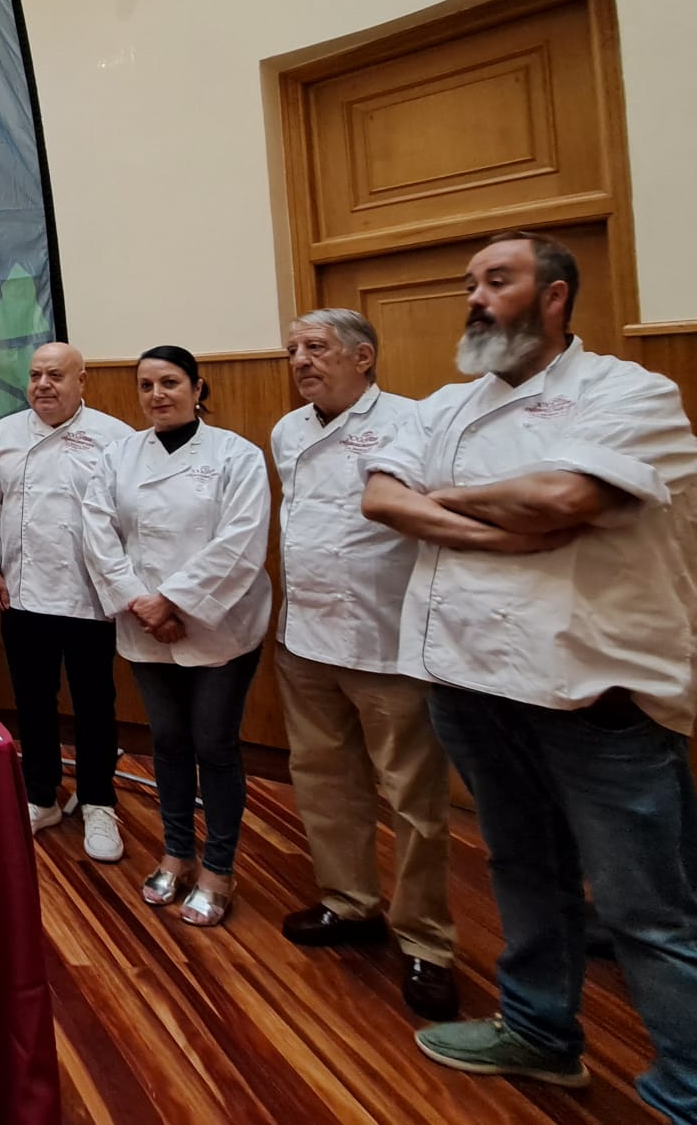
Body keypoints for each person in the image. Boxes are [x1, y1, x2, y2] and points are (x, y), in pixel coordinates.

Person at [360, 232, 697, 1112]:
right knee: (520, 865)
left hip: (593, 692)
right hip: (470, 684)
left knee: (647, 910)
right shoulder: (441, 407)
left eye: (496, 281)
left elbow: (565, 500)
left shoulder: (630, 392)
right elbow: (382, 498)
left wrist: (447, 500)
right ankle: (541, 1032)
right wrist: (494, 518)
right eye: (470, 283)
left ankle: (687, 1090)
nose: (474, 297)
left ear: (554, 297)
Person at [271, 310, 457, 1022]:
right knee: (323, 781)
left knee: (413, 800)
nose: (301, 361)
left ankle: (427, 944)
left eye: (315, 348)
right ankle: (349, 903)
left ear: (364, 356)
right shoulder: (289, 431)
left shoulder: (414, 421)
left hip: (387, 642)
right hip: (306, 638)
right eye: (293, 351)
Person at [83, 346, 271, 928]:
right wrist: (144, 604)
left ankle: (218, 866)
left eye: (169, 383)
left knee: (214, 745)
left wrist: (174, 601)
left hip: (217, 626)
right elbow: (97, 531)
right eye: (146, 385)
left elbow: (242, 542)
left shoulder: (235, 455)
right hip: (144, 625)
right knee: (166, 742)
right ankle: (176, 852)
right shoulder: (118, 457)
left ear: (197, 388)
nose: (157, 395)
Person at [0, 342, 133, 862]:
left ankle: (98, 802)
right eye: (36, 375)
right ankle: (41, 795)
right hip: (24, 593)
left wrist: (127, 588)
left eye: (56, 375)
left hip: (90, 598)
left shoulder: (116, 438)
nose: (43, 384)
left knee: (95, 704)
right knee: (33, 701)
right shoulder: (4, 433)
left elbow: (131, 520)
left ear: (82, 380)